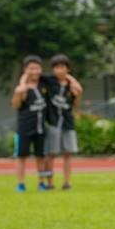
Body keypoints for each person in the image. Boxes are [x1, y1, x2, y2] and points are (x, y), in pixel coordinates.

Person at [43, 54, 83, 190]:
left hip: (68, 123)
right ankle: (50, 182)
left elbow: (75, 103)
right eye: (56, 67)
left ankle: (67, 182)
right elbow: (33, 77)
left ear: (68, 68)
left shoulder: (71, 86)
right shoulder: (49, 81)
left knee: (68, 153)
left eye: (62, 67)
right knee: (51, 153)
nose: (59, 70)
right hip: (53, 122)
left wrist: (77, 91)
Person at [11, 55, 51, 192]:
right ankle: (20, 184)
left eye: (37, 68)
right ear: (25, 70)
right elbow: (15, 105)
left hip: (40, 128)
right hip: (24, 128)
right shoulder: (22, 88)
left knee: (41, 157)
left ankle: (41, 183)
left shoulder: (44, 85)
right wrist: (19, 91)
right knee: (21, 157)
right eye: (31, 68)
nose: (34, 71)